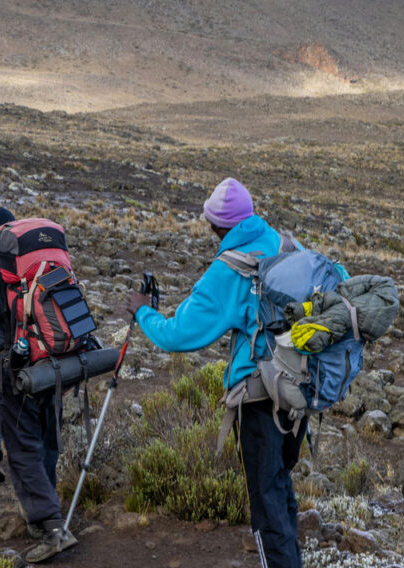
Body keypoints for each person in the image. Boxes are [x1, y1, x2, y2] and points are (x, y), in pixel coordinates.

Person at [127, 178, 300, 568]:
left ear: (218, 227)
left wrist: (142, 311)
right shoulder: (284, 244)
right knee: (280, 488)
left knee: (266, 503)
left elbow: (178, 335)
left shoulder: (230, 269)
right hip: (297, 390)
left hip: (258, 398)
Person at [0, 207, 76, 564]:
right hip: (55, 366)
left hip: (14, 375)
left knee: (22, 450)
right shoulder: (39, 266)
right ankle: (48, 504)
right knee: (47, 437)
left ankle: (52, 526)